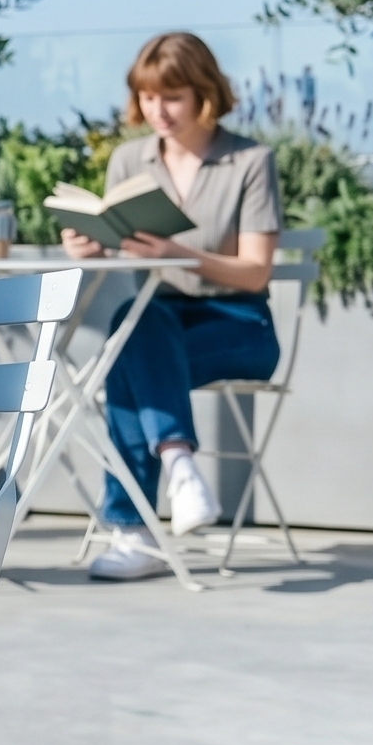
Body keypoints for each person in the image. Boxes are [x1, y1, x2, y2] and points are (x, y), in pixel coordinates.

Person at [62, 32, 281, 580]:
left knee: (128, 347)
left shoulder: (249, 161)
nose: (157, 110)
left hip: (240, 323)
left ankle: (133, 534)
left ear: (204, 92)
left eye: (172, 97)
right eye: (148, 97)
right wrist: (91, 243)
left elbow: (256, 270)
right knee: (135, 327)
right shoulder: (130, 159)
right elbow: (119, 236)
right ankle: (180, 467)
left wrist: (179, 253)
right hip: (158, 320)